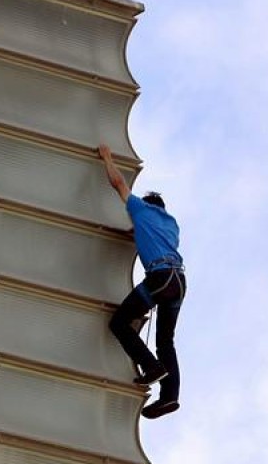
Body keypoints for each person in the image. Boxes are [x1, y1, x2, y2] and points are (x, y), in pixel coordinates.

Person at [98, 143, 186, 419]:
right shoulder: (171, 225)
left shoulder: (141, 209)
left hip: (159, 278)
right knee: (166, 342)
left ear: (146, 205)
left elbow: (118, 183)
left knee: (120, 322)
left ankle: (151, 367)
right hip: (178, 282)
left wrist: (107, 157)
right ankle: (170, 396)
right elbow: (147, 236)